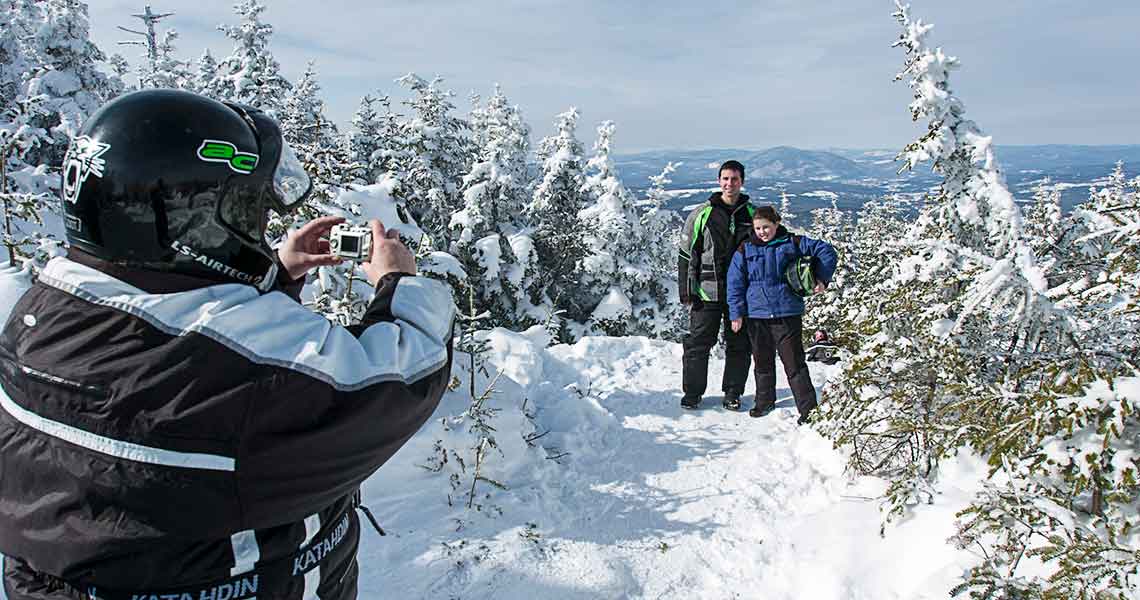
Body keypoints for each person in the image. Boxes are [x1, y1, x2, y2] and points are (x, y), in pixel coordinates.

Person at [0, 90, 454, 599]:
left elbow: (172, 334)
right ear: (190, 218)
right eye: (244, 210)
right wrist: (398, 282)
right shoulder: (241, 380)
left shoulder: (37, 319)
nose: (255, 226)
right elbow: (407, 371)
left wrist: (274, 272)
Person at [726, 206, 837, 424]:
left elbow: (826, 251)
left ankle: (808, 410)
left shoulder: (792, 243)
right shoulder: (745, 249)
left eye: (766, 227)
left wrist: (822, 278)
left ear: (776, 224)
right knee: (762, 362)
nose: (762, 232)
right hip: (756, 315)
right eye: (758, 228)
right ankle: (765, 401)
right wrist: (736, 313)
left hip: (787, 313)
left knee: (794, 364)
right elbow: (734, 282)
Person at [678, 160, 755, 411]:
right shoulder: (703, 213)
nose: (729, 183)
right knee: (698, 343)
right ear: (718, 181)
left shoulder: (752, 215)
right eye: (725, 178)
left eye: (734, 179)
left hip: (741, 294)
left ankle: (733, 393)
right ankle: (692, 393)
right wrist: (686, 289)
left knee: (739, 345)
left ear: (741, 181)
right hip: (706, 292)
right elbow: (686, 253)